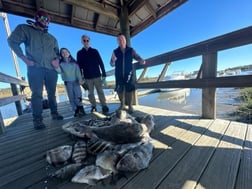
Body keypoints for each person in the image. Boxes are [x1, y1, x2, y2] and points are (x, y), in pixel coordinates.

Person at [7, 9, 63, 130]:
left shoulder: (52, 38)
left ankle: (55, 113)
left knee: (52, 94)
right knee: (37, 94)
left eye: (48, 20)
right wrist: (24, 58)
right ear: (37, 17)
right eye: (43, 18)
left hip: (51, 70)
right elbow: (12, 41)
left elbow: (57, 53)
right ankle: (37, 120)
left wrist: (57, 60)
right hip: (35, 69)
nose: (46, 21)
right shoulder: (25, 29)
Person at [110, 33, 146, 114]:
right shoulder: (115, 51)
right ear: (117, 42)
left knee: (129, 89)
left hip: (129, 73)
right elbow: (111, 64)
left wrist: (141, 60)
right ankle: (122, 105)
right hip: (118, 74)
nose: (121, 41)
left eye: (122, 39)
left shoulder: (131, 50)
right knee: (119, 90)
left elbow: (137, 56)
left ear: (125, 40)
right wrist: (113, 60)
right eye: (119, 39)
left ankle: (130, 105)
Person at [77, 35, 109, 113]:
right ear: (82, 42)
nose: (86, 42)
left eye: (87, 40)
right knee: (90, 93)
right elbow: (79, 67)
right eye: (84, 40)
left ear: (90, 41)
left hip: (97, 75)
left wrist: (104, 74)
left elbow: (101, 63)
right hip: (87, 77)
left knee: (100, 91)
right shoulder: (79, 53)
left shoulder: (95, 51)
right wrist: (81, 78)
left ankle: (104, 105)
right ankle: (93, 106)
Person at [54, 48, 86, 117]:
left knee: (78, 96)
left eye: (66, 52)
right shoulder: (61, 63)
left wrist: (80, 80)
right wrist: (56, 66)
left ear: (69, 53)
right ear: (61, 55)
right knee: (71, 97)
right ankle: (75, 110)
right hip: (68, 82)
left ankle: (81, 109)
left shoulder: (74, 63)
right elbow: (59, 71)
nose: (65, 53)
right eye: (63, 52)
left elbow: (78, 72)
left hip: (76, 82)